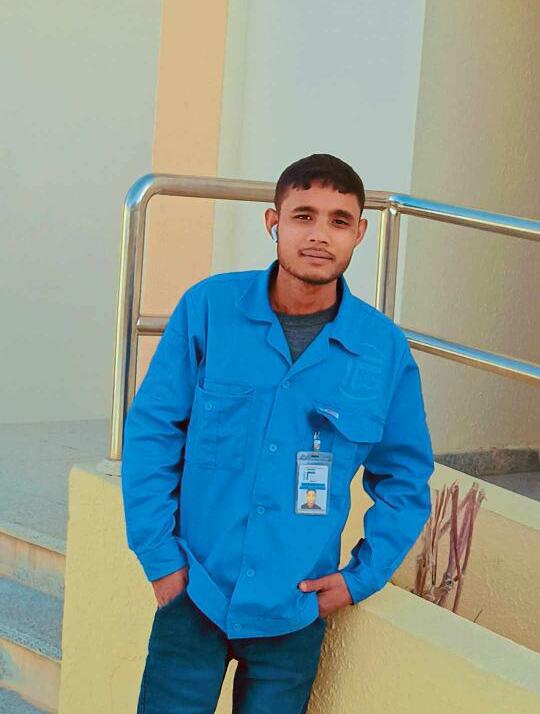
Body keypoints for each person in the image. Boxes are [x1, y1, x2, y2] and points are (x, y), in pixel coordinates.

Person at [121, 153, 435, 713]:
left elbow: (405, 478)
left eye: (339, 221)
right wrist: (161, 559)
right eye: (303, 216)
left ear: (360, 234)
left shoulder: (381, 350)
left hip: (294, 609)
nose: (319, 235)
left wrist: (360, 578)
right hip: (195, 591)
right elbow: (152, 432)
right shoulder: (210, 309)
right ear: (274, 222)